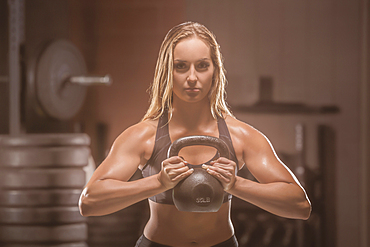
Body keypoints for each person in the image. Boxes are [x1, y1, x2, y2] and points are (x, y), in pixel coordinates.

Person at [79, 21, 311, 247]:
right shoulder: (143, 136)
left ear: (215, 71)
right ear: (167, 72)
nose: (192, 77)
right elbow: (89, 202)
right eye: (181, 66)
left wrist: (236, 184)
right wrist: (158, 182)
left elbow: (300, 206)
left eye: (202, 66)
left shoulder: (241, 136)